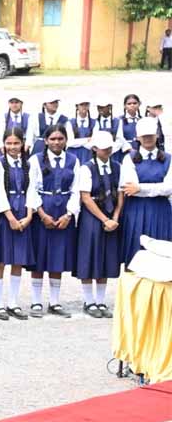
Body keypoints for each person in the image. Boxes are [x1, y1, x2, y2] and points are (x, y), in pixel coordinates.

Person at [27, 126, 78, 318]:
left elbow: (75, 189)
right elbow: (31, 188)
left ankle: (55, 301)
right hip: (44, 208)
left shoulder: (73, 160)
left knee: (58, 255)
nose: (57, 142)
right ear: (46, 140)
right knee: (41, 255)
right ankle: (36, 301)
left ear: (65, 140)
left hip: (63, 208)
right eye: (53, 139)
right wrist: (41, 213)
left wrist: (69, 214)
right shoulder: (36, 160)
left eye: (60, 138)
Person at [74, 130, 124, 318]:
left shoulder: (117, 167)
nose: (107, 152)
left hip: (111, 213)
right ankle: (89, 300)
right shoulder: (87, 168)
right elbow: (85, 197)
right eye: (104, 149)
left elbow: (120, 194)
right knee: (89, 254)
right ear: (95, 149)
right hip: (93, 215)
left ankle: (101, 300)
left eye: (109, 148)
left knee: (105, 255)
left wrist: (115, 218)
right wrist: (104, 219)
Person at [0, 128, 36, 320]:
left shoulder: (29, 164)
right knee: (2, 259)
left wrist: (28, 216)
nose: (12, 147)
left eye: (16, 143)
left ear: (22, 143)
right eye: (8, 143)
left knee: (18, 259)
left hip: (23, 213)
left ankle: (13, 301)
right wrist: (10, 217)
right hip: (6, 214)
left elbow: (32, 189)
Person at [119, 117, 172, 264]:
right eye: (144, 136)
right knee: (135, 252)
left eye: (151, 135)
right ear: (137, 137)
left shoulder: (168, 159)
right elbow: (130, 187)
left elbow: (169, 187)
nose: (148, 139)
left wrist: (141, 188)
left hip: (161, 210)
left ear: (157, 136)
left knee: (162, 252)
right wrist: (157, 188)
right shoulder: (129, 158)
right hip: (135, 210)